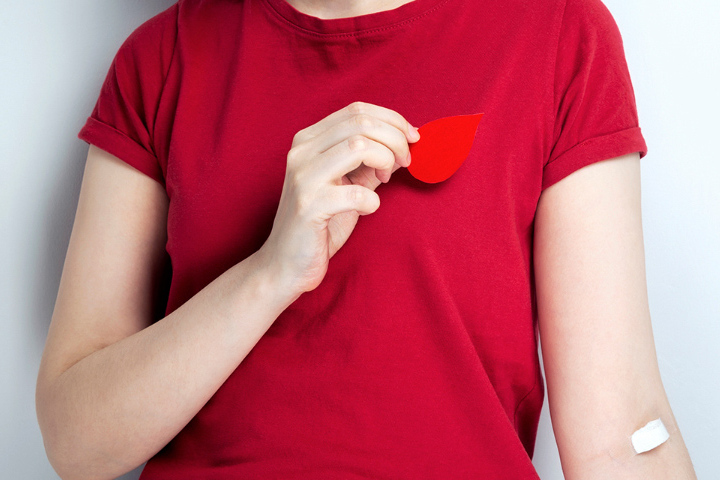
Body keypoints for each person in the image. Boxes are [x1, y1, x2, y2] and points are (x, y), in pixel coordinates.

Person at [36, 0, 697, 478]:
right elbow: (76, 443)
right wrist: (269, 275)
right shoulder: (161, 58)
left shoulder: (560, 35)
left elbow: (622, 438)